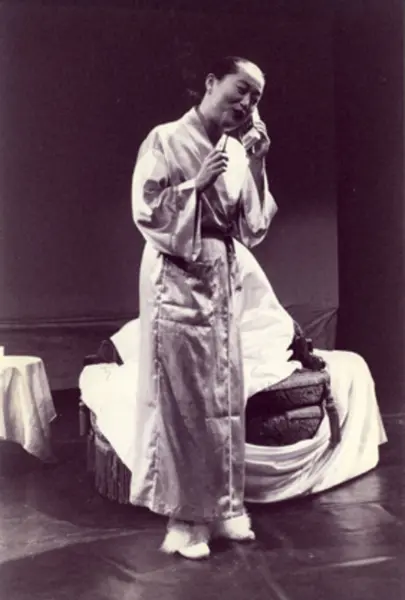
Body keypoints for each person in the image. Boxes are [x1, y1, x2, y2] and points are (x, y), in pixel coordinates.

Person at [131, 56, 277, 559]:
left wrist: (256, 163)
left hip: (220, 275)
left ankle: (224, 509)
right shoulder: (166, 138)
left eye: (256, 97)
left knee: (224, 395)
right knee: (185, 400)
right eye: (241, 89)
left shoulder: (235, 150)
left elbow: (253, 228)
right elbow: (147, 208)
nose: (247, 103)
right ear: (212, 82)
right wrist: (194, 183)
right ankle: (185, 520)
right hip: (176, 274)